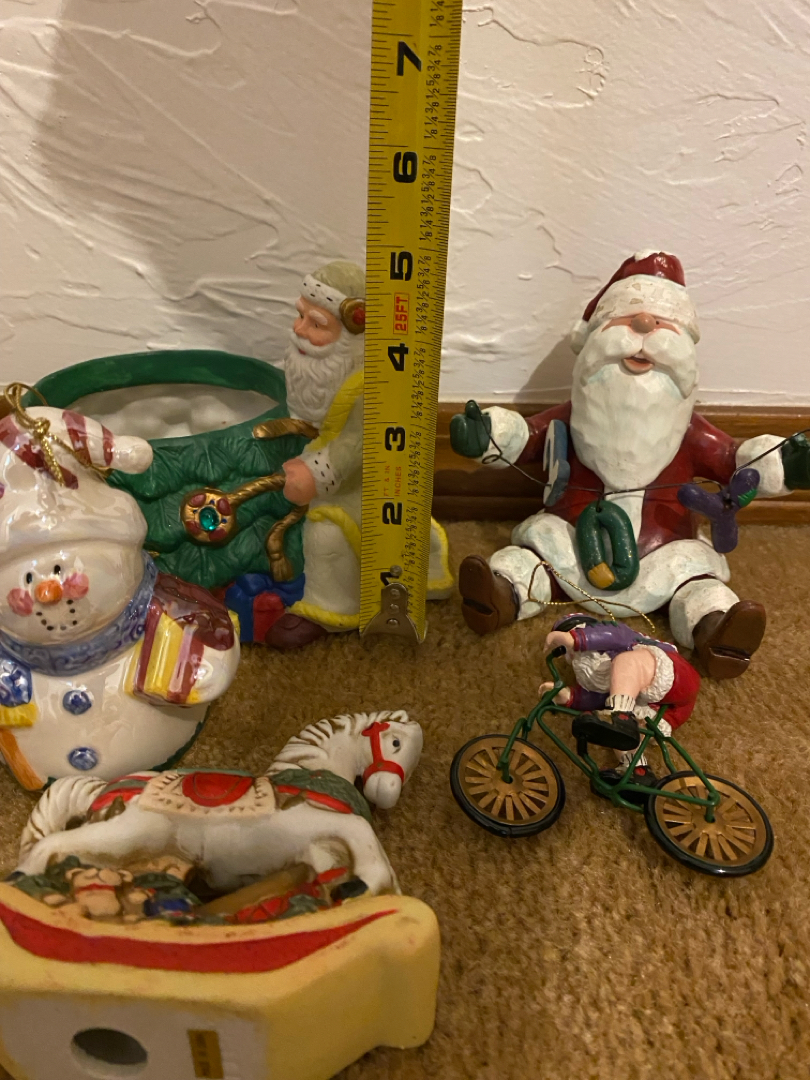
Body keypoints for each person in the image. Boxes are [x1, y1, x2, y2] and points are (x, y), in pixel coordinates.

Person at [450, 250, 810, 679]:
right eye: (626, 316)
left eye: (664, 322)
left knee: (696, 585)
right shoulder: (572, 418)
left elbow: (736, 462)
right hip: (568, 539)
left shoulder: (690, 431)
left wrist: (783, 464)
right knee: (533, 557)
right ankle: (499, 596)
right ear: (590, 340)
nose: (643, 325)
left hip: (667, 551)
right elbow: (525, 438)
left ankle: (715, 630)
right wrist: (490, 434)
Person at [266, 260, 452, 649]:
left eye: (316, 324)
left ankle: (329, 608)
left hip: (364, 486)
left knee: (326, 534)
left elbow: (358, 443)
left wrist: (315, 474)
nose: (299, 329)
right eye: (300, 316)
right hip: (315, 464)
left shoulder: (374, 385)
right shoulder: (320, 371)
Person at [538, 613, 701, 790]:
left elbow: (614, 634)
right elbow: (597, 697)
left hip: (676, 675)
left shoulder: (616, 638)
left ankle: (621, 717)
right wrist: (568, 696)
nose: (572, 653)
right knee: (620, 736)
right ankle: (637, 772)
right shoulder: (597, 675)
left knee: (626, 662)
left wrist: (574, 639)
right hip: (661, 711)